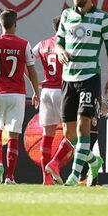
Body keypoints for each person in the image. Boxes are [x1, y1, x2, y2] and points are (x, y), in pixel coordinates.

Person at [55, 0, 108, 186]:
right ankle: (93, 159)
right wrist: (61, 51)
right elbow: (58, 43)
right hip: (68, 78)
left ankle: (74, 175)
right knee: (68, 132)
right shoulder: (66, 15)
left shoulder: (103, 18)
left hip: (89, 76)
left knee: (83, 127)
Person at [0, 9, 41, 185]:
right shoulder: (24, 44)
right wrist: (36, 92)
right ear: (15, 24)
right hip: (17, 95)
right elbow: (31, 71)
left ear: (0, 24)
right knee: (13, 136)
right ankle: (10, 177)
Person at [33, 16, 66, 185]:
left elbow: (27, 60)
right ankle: (55, 164)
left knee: (47, 135)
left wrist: (34, 81)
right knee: (72, 135)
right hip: (62, 91)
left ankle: (46, 179)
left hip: (46, 92)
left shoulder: (43, 44)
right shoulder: (67, 44)